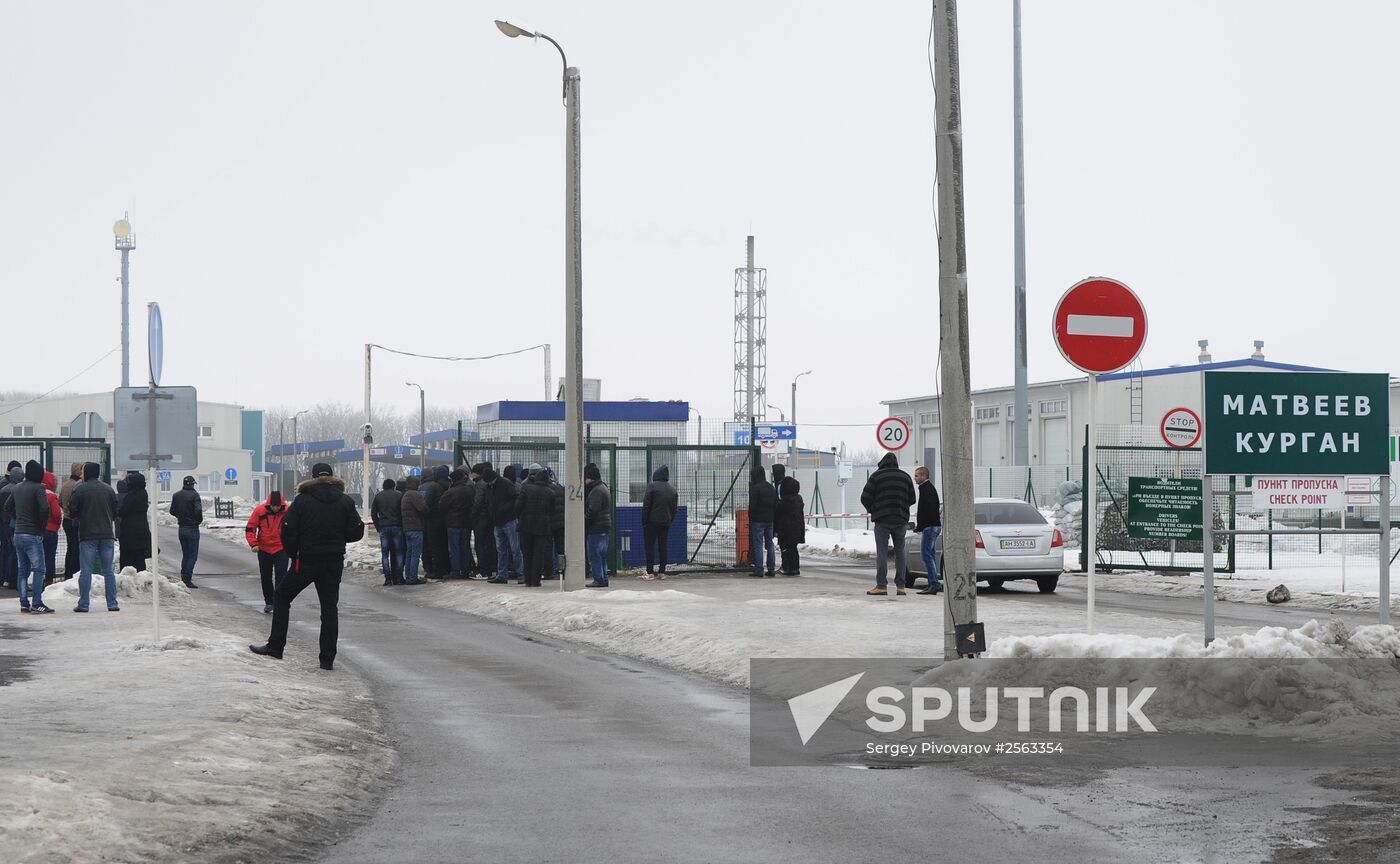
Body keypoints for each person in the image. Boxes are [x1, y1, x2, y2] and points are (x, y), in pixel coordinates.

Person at [250, 462, 364, 670]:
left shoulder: (302, 500)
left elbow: (287, 531)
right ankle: (327, 659)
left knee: (282, 596)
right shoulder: (345, 501)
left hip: (307, 559)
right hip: (334, 560)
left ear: (312, 477)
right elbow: (357, 532)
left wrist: (295, 554)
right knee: (329, 608)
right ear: (333, 477)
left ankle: (276, 647)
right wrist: (338, 539)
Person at [860, 452, 916, 596]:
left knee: (882, 552)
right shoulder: (905, 477)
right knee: (900, 552)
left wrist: (874, 510)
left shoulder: (876, 477)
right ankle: (901, 586)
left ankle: (881, 586)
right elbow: (912, 499)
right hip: (900, 520)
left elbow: (865, 497)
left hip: (882, 520)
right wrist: (902, 508)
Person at [68, 462, 120, 612]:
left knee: (86, 570)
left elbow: (72, 511)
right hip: (107, 534)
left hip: (87, 535)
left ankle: (84, 604)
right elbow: (115, 511)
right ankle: (112, 603)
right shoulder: (109, 489)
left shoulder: (79, 489)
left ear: (87, 473)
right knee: (108, 571)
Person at [3, 460, 53, 613]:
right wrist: (41, 525)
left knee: (23, 569)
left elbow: (7, 507)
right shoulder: (39, 488)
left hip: (18, 533)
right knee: (39, 569)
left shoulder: (17, 488)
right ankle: (37, 602)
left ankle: (24, 602)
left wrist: (18, 518)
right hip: (33, 534)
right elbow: (45, 509)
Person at [245, 490, 290, 613]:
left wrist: (293, 545)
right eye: (273, 506)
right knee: (266, 577)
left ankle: (279, 601)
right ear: (269, 504)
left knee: (281, 576)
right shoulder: (260, 511)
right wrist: (253, 543)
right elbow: (250, 528)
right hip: (264, 549)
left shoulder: (288, 512)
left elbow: (296, 529)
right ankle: (269, 602)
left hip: (281, 549)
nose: (275, 508)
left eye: (278, 506)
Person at [515, 463, 555, 588]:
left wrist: (520, 518)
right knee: (539, 555)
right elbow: (551, 511)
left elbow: (517, 507)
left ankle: (527, 579)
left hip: (526, 526)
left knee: (527, 554)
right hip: (542, 528)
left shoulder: (526, 489)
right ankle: (536, 581)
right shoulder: (550, 492)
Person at [486, 464, 522, 584]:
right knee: (502, 550)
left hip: (509, 520)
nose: (489, 484)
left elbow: (515, 499)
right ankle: (502, 575)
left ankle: (521, 574)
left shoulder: (506, 484)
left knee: (515, 549)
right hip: (498, 521)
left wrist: (502, 509)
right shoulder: (490, 486)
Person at [641, 465, 678, 580]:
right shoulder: (672, 490)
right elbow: (674, 509)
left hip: (652, 522)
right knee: (663, 547)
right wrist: (669, 520)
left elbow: (646, 505)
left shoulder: (652, 487)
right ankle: (662, 572)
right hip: (665, 522)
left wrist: (644, 520)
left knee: (649, 547)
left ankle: (650, 572)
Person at [441, 468, 476, 578]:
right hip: (466, 523)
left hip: (453, 523)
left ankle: (456, 571)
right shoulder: (470, 490)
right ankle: (465, 571)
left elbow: (442, 506)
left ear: (452, 480)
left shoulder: (450, 492)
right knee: (465, 547)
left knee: (454, 548)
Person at [913, 466, 943, 595]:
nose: (915, 478)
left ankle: (934, 584)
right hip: (931, 526)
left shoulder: (927, 489)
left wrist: (922, 525)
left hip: (930, 527)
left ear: (924, 476)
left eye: (917, 476)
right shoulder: (926, 488)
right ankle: (933, 583)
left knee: (926, 555)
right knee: (929, 555)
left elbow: (929, 510)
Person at [169, 475, 203, 588]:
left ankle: (184, 576)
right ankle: (187, 578)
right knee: (192, 555)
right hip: (192, 528)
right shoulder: (195, 495)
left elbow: (172, 511)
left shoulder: (176, 495)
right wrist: (197, 520)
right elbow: (198, 510)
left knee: (186, 554)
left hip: (182, 528)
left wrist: (180, 516)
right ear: (192, 484)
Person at [371, 478, 404, 585]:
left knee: (385, 554)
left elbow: (374, 514)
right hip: (397, 526)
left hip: (384, 527)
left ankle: (388, 578)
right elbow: (402, 511)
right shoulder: (399, 495)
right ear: (393, 485)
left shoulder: (378, 496)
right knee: (399, 552)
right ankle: (398, 577)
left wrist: (378, 526)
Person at [116, 471, 151, 572]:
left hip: (129, 531)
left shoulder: (131, 496)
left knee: (127, 557)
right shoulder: (143, 493)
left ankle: (127, 577)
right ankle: (140, 577)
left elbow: (123, 511)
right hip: (142, 529)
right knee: (139, 558)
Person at [583, 462, 611, 588]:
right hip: (604, 526)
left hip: (596, 527)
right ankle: (604, 578)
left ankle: (598, 579)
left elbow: (592, 510)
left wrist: (584, 522)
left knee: (594, 555)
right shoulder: (603, 487)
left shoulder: (596, 491)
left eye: (586, 478)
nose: (585, 481)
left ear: (591, 478)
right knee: (602, 555)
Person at [421, 465, 451, 580]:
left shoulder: (421, 487)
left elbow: (424, 505)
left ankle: (429, 569)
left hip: (426, 520)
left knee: (427, 546)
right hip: (437, 519)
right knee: (438, 546)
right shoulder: (436, 486)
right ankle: (439, 570)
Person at [747, 466, 777, 578]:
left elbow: (752, 506)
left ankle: (759, 569)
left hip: (758, 520)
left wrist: (751, 518)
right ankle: (771, 569)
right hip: (770, 520)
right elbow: (775, 504)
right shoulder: (771, 487)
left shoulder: (755, 488)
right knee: (770, 544)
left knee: (758, 544)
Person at [775, 476, 806, 576]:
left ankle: (787, 567)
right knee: (793, 549)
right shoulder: (798, 499)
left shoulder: (784, 501)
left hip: (786, 529)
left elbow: (778, 513)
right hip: (797, 528)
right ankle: (795, 568)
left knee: (786, 549)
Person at [399, 475, 428, 585]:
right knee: (416, 554)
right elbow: (423, 508)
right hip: (416, 528)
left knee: (409, 554)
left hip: (407, 528)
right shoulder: (415, 494)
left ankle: (408, 576)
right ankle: (413, 578)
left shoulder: (406, 494)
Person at [470, 463, 497, 580]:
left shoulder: (479, 485)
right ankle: (491, 569)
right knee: (489, 544)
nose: (472, 474)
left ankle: (483, 570)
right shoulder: (489, 484)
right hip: (490, 518)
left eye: (474, 472)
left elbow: (477, 502)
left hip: (481, 519)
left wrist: (472, 515)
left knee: (480, 544)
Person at [0, 461, 22, 589]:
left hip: (4, 522)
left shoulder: (3, 486)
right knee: (12, 551)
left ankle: (5, 577)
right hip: (10, 523)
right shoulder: (13, 488)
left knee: (6, 549)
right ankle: (9, 577)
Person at [60, 462, 82, 578]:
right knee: (77, 549)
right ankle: (75, 573)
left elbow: (60, 502)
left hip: (66, 519)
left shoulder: (65, 485)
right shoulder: (78, 485)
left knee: (70, 548)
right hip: (75, 520)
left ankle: (68, 573)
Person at [41, 471, 62, 586]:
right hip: (51, 530)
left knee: (40, 555)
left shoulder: (38, 494)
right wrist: (57, 524)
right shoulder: (52, 497)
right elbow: (57, 514)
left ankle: (39, 578)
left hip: (39, 529)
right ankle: (49, 580)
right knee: (50, 556)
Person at [546, 467, 565, 578]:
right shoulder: (560, 488)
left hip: (548, 523)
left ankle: (550, 571)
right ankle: (562, 570)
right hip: (561, 523)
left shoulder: (546, 489)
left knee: (548, 548)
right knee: (561, 548)